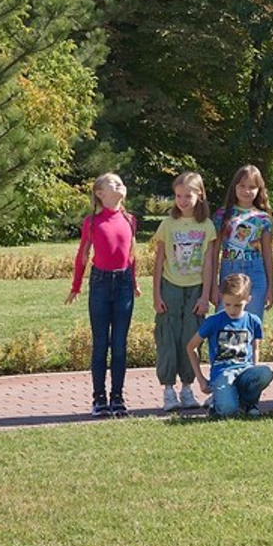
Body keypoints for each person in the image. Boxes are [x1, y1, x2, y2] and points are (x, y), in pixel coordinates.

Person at [67, 172, 140, 417]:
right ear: (100, 193)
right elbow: (83, 255)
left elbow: (131, 254)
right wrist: (76, 285)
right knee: (100, 344)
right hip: (100, 283)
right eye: (113, 182)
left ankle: (117, 397)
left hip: (123, 285)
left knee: (119, 344)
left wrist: (134, 282)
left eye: (122, 181)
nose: (121, 184)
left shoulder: (130, 220)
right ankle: (99, 398)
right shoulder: (92, 221)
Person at [152, 171, 216, 412]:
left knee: (192, 337)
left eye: (188, 195)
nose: (182, 200)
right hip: (171, 286)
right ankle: (168, 390)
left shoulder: (206, 226)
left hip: (195, 289)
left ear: (199, 195)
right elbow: (159, 260)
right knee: (167, 336)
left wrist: (205, 295)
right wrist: (156, 294)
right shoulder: (168, 224)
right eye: (178, 195)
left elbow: (209, 262)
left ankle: (187, 388)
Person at [189, 273, 273, 418]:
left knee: (265, 373)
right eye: (228, 304)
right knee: (228, 411)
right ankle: (217, 405)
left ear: (248, 300)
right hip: (223, 372)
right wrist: (201, 379)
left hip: (245, 369)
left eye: (238, 305)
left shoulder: (253, 321)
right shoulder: (214, 321)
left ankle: (248, 404)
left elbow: (255, 346)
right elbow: (191, 347)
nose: (232, 309)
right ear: (222, 299)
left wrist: (254, 366)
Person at [212, 165, 273, 321]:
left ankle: (253, 347)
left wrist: (271, 288)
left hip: (256, 272)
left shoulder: (263, 219)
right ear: (235, 187)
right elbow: (214, 252)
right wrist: (213, 285)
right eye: (242, 186)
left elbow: (267, 254)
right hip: (229, 270)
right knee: (224, 319)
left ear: (259, 189)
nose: (246, 191)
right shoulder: (222, 214)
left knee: (251, 321)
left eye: (252, 187)